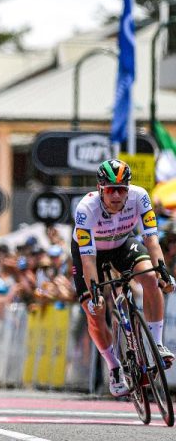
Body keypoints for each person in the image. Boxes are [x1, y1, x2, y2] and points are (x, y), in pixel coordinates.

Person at [72, 158, 175, 397]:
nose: (117, 196)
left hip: (121, 244)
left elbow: (151, 240)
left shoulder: (140, 197)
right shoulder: (86, 209)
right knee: (94, 312)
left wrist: (163, 272)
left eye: (121, 189)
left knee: (150, 279)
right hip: (91, 253)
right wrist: (96, 292)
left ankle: (157, 345)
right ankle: (114, 366)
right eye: (111, 190)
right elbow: (87, 260)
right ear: (100, 189)